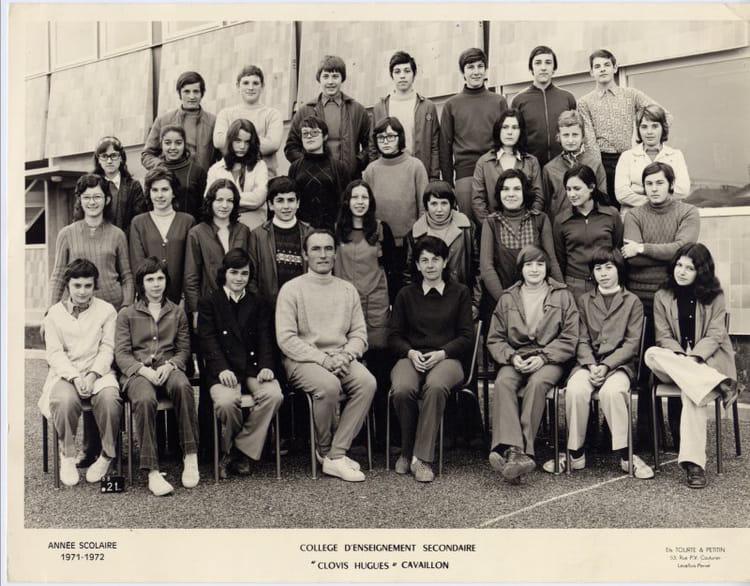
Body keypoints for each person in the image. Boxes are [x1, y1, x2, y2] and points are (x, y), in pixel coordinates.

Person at [541, 246, 654, 478]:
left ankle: (626, 455)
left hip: (619, 365)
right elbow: (580, 339)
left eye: (609, 267)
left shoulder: (632, 301)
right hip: (588, 363)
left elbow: (632, 344)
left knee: (612, 392)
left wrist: (606, 365)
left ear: (618, 269)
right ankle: (575, 453)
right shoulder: (584, 300)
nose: (603, 273)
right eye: (598, 268)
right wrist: (592, 365)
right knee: (575, 389)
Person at [46, 173, 133, 470]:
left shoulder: (117, 234)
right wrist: (50, 311)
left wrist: (126, 310)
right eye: (87, 197)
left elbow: (127, 275)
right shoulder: (67, 233)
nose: (92, 202)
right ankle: (89, 447)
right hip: (78, 313)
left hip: (112, 313)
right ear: (80, 201)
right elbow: (59, 274)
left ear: (106, 200)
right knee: (80, 373)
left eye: (97, 196)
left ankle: (111, 449)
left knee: (105, 378)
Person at [275, 229, 377, 482]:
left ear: (335, 253)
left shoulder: (347, 290)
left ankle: (336, 453)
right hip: (304, 360)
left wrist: (346, 356)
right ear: (305, 255)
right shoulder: (291, 290)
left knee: (367, 382)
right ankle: (325, 450)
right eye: (316, 249)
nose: (323, 255)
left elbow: (359, 334)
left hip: (340, 357)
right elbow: (286, 339)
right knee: (329, 386)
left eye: (328, 249)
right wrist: (323, 360)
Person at [646, 243, 739, 488]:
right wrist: (681, 358)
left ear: (702, 271)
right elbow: (663, 336)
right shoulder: (662, 296)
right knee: (651, 354)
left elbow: (716, 334)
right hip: (674, 364)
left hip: (707, 361)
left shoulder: (715, 296)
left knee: (692, 392)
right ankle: (719, 384)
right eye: (679, 265)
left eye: (690, 267)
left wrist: (695, 358)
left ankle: (694, 465)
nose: (682, 271)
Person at [622, 161, 700, 449]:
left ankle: (681, 436)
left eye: (659, 183)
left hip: (677, 301)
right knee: (646, 371)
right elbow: (631, 259)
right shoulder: (634, 214)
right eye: (649, 184)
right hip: (641, 301)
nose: (654, 188)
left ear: (671, 184)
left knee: (677, 366)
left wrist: (643, 248)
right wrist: (667, 254)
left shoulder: (688, 212)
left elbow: (684, 251)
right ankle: (648, 438)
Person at [486, 245, 578, 483]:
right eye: (528, 265)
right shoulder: (508, 298)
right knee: (503, 382)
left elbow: (570, 337)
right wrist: (511, 357)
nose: (534, 269)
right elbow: (495, 338)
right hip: (517, 356)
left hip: (550, 358)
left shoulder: (563, 295)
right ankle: (514, 452)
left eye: (539, 264)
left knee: (537, 383)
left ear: (547, 268)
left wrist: (544, 357)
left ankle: (519, 450)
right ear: (521, 269)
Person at [388, 236, 473, 482]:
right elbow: (394, 336)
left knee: (435, 387)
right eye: (424, 260)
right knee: (402, 389)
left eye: (435, 259)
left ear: (445, 262)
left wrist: (442, 353)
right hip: (412, 356)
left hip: (447, 358)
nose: (430, 265)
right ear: (417, 265)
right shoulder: (405, 294)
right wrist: (410, 352)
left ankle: (422, 458)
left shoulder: (460, 293)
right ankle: (407, 451)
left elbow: (467, 337)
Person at [115, 257, 199, 496]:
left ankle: (190, 455)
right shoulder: (127, 314)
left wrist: (171, 365)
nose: (156, 284)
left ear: (166, 281)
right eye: (150, 279)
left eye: (160, 278)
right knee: (144, 399)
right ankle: (152, 471)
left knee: (182, 386)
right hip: (139, 373)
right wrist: (143, 370)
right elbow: (121, 354)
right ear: (141, 284)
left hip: (168, 369)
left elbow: (184, 350)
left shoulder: (177, 312)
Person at [197, 248, 283, 478]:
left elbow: (265, 338)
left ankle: (236, 451)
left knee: (274, 395)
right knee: (226, 402)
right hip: (223, 369)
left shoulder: (258, 302)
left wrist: (266, 365)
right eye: (234, 272)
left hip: (253, 368)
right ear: (224, 273)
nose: (239, 278)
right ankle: (240, 453)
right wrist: (221, 369)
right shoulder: (209, 302)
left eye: (244, 273)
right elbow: (207, 340)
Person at [38, 259, 122, 487]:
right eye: (77, 285)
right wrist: (75, 377)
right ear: (68, 285)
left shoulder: (107, 311)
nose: (83, 291)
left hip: (99, 372)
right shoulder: (54, 314)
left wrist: (93, 375)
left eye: (88, 285)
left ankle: (106, 455)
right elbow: (54, 354)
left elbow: (108, 348)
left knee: (110, 400)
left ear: (95, 286)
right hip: (66, 374)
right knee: (63, 401)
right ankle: (67, 455)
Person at [334, 180, 395, 447]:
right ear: (347, 201)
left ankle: (383, 433)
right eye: (355, 197)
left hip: (377, 304)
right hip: (346, 305)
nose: (360, 202)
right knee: (351, 368)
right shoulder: (337, 231)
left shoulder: (381, 229)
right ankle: (356, 432)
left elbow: (392, 268)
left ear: (370, 201)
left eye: (364, 197)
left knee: (380, 369)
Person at [578, 49, 672, 199]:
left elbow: (665, 116)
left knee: (633, 202)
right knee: (607, 205)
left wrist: (646, 143)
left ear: (615, 68)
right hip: (602, 161)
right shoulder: (584, 102)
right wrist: (598, 171)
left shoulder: (631, 94)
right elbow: (589, 141)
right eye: (597, 66)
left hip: (629, 158)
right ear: (591, 72)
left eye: (607, 65)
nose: (602, 69)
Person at [479, 168, 562, 320]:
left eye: (517, 189)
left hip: (538, 300)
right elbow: (486, 268)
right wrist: (506, 302)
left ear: (525, 192)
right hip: (502, 302)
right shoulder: (491, 222)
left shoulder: (540, 219)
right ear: (499, 193)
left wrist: (562, 293)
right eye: (505, 189)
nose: (511, 194)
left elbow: (551, 260)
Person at [439, 47, 509, 223]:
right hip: (465, 175)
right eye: (470, 67)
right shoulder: (451, 105)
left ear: (485, 70)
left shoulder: (498, 101)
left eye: (480, 66)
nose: (476, 72)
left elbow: (507, 139)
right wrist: (449, 184)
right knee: (469, 227)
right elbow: (445, 148)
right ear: (463, 72)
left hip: (495, 171)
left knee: (497, 224)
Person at [363, 116, 428, 298]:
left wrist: (418, 238)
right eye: (381, 137)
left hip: (409, 244)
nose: (386, 142)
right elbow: (367, 208)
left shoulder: (415, 166)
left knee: (408, 293)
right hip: (381, 244)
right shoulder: (371, 170)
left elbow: (423, 207)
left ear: (400, 137)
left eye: (390, 137)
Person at [284, 55, 371, 179]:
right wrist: (309, 165)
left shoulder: (358, 110)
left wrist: (356, 164)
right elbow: (291, 147)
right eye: (325, 76)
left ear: (342, 78)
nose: (330, 82)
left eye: (335, 76)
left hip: (348, 179)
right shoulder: (305, 111)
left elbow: (370, 145)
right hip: (316, 180)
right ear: (319, 79)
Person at [404, 181, 481, 319]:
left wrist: (475, 302)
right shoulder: (415, 234)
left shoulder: (468, 229)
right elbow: (409, 275)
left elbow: (479, 268)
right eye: (434, 204)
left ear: (452, 204)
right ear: (426, 205)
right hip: (428, 304)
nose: (439, 209)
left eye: (444, 203)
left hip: (461, 301)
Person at [185, 179, 251, 330]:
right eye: (219, 200)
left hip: (239, 304)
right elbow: (191, 276)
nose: (224, 205)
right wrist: (195, 311)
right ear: (210, 202)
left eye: (230, 200)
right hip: (209, 305)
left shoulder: (244, 230)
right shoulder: (197, 233)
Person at [553, 165, 623, 299]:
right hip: (575, 285)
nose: (571, 194)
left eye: (577, 188)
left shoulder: (611, 214)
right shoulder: (561, 221)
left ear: (591, 187)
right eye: (568, 189)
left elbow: (618, 249)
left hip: (607, 282)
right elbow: (560, 258)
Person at [129, 167, 196, 304]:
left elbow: (191, 266)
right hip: (149, 300)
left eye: (165, 189)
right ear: (149, 193)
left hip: (179, 300)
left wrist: (185, 298)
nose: (159, 195)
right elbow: (138, 264)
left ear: (173, 192)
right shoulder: (138, 222)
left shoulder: (187, 221)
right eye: (155, 190)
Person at [370, 50, 440, 180]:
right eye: (397, 72)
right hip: (388, 172)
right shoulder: (380, 107)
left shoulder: (427, 106)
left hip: (418, 172)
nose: (402, 76)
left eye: (407, 71)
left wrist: (434, 176)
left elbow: (435, 145)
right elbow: (372, 146)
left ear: (414, 74)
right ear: (391, 75)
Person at [248, 176, 313, 308]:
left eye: (291, 200)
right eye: (280, 200)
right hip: (269, 308)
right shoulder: (258, 235)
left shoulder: (310, 233)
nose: (286, 206)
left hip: (304, 306)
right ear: (270, 205)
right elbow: (251, 278)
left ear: (298, 203)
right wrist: (262, 306)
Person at [471, 109, 544, 224]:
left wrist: (528, 223)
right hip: (494, 226)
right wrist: (490, 226)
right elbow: (478, 200)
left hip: (526, 226)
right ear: (498, 130)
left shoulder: (531, 161)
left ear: (521, 131)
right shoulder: (484, 162)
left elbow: (538, 197)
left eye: (515, 127)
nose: (510, 132)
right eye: (505, 127)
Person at [615, 104, 690, 215]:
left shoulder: (675, 155)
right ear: (638, 130)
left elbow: (683, 190)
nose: (649, 132)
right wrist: (654, 201)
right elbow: (622, 194)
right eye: (644, 127)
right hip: (635, 215)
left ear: (663, 128)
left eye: (655, 126)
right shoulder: (627, 156)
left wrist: (639, 191)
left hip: (668, 215)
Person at [511, 46, 577, 167]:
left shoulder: (567, 98)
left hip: (564, 166)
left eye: (548, 62)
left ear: (554, 68)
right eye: (538, 63)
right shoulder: (518, 101)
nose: (543, 67)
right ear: (531, 68)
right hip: (530, 167)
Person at [213, 65, 284, 175]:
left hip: (265, 175)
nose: (250, 88)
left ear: (262, 86)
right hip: (232, 176)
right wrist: (258, 141)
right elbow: (218, 141)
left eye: (255, 83)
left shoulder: (272, 114)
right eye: (246, 83)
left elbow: (273, 145)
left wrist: (235, 141)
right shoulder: (225, 114)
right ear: (238, 86)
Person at [141, 70, 217, 172]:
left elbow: (223, 158)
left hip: (203, 179)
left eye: (196, 91)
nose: (192, 96)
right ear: (179, 93)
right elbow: (146, 154)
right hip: (170, 179)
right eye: (186, 91)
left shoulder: (213, 122)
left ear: (202, 93)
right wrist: (163, 167)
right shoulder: (163, 121)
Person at [288, 115, 350, 231]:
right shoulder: (295, 167)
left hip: (331, 228)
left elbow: (345, 201)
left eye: (315, 132)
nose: (309, 136)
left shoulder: (339, 167)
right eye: (305, 134)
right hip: (303, 228)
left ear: (325, 136)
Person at [542, 110, 607, 220]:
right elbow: (546, 205)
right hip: (561, 224)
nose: (571, 140)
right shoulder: (549, 169)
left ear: (583, 136)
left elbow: (603, 199)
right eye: (566, 135)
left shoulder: (595, 164)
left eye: (575, 135)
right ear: (559, 137)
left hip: (590, 222)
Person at [206, 118, 268, 230]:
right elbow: (209, 199)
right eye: (238, 141)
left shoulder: (260, 166)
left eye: (247, 142)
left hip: (253, 225)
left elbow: (259, 198)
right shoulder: (215, 169)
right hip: (224, 225)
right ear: (230, 141)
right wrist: (247, 202)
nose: (242, 146)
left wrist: (225, 199)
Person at [149, 125, 207, 222]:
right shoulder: (154, 173)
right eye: (167, 143)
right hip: (161, 226)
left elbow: (203, 207)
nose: (173, 147)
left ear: (184, 144)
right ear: (161, 144)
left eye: (178, 143)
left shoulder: (197, 171)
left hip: (191, 226)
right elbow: (149, 206)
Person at [93, 136, 146, 234]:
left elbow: (139, 221)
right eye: (104, 156)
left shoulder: (133, 186)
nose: (109, 161)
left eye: (114, 155)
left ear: (121, 158)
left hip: (126, 239)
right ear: (98, 160)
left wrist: (120, 238)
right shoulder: (91, 186)